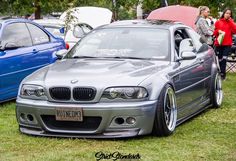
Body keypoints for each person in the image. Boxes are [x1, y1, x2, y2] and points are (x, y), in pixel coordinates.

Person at [214, 8, 236, 80]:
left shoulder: (231, 22)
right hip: (219, 44)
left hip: (227, 44)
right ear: (224, 13)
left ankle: (223, 75)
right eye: (227, 13)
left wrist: (230, 22)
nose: (228, 15)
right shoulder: (218, 22)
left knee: (224, 59)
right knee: (219, 60)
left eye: (229, 14)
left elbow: (235, 31)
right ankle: (219, 74)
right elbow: (214, 33)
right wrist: (218, 31)